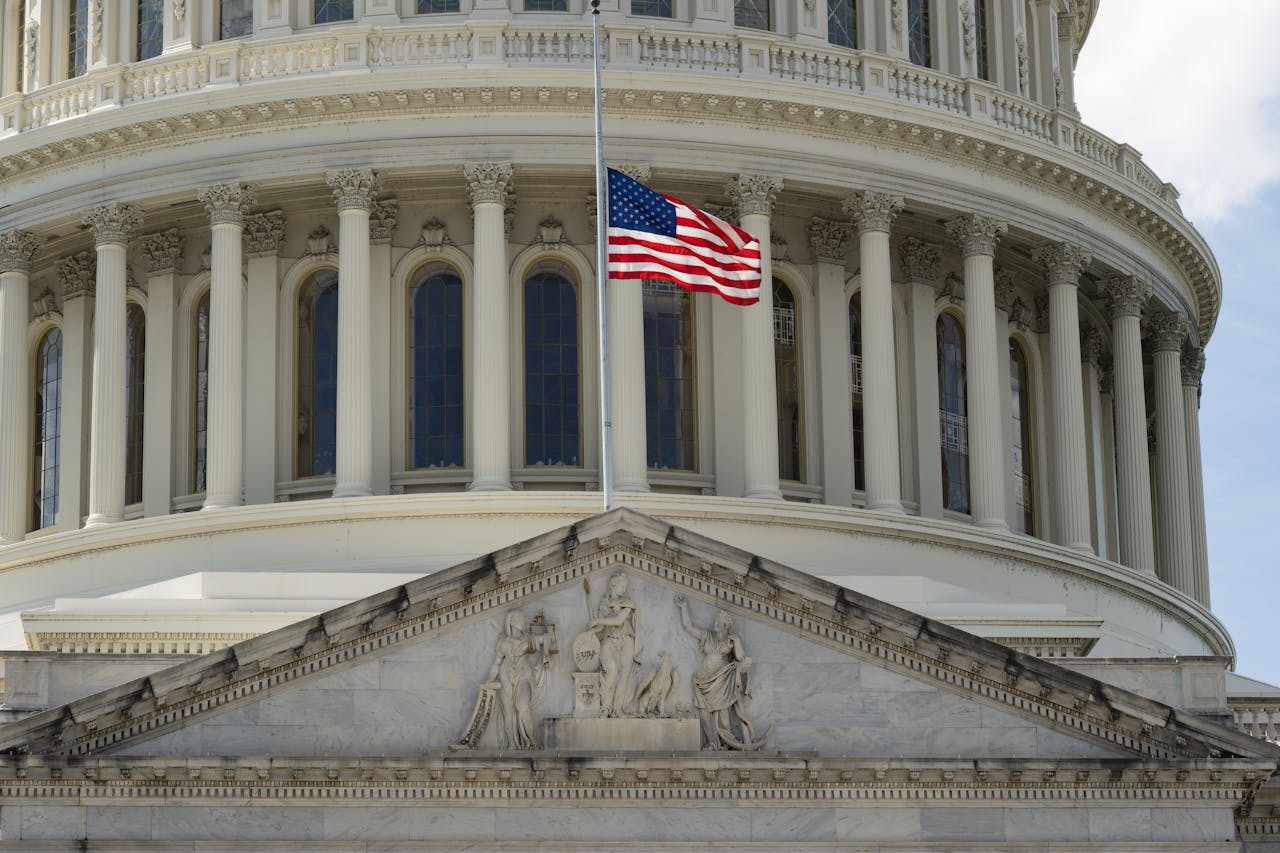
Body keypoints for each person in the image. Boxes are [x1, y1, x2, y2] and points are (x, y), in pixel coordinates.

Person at [674, 594, 769, 750]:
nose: (716, 623)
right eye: (716, 620)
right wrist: (684, 608)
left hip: (722, 681)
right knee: (704, 714)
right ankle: (711, 742)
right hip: (703, 681)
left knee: (723, 716)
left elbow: (740, 657)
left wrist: (737, 641)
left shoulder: (730, 640)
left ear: (726, 625)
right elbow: (689, 627)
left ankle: (725, 742)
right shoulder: (707, 636)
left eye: (720, 621)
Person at [487, 610, 549, 749]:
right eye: (521, 619)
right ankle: (512, 744)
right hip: (506, 674)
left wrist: (546, 653)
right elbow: (496, 664)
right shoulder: (503, 643)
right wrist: (489, 680)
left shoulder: (528, 638)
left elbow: (545, 638)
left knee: (522, 707)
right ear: (514, 623)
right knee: (508, 711)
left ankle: (530, 740)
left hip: (524, 675)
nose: (524, 622)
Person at [587, 572, 641, 717]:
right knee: (611, 670)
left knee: (624, 674)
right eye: (622, 585)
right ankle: (605, 708)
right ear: (613, 585)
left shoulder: (627, 603)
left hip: (626, 639)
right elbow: (600, 629)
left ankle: (618, 709)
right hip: (608, 639)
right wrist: (591, 631)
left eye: (625, 586)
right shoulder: (604, 604)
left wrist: (598, 620)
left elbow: (618, 620)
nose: (624, 589)